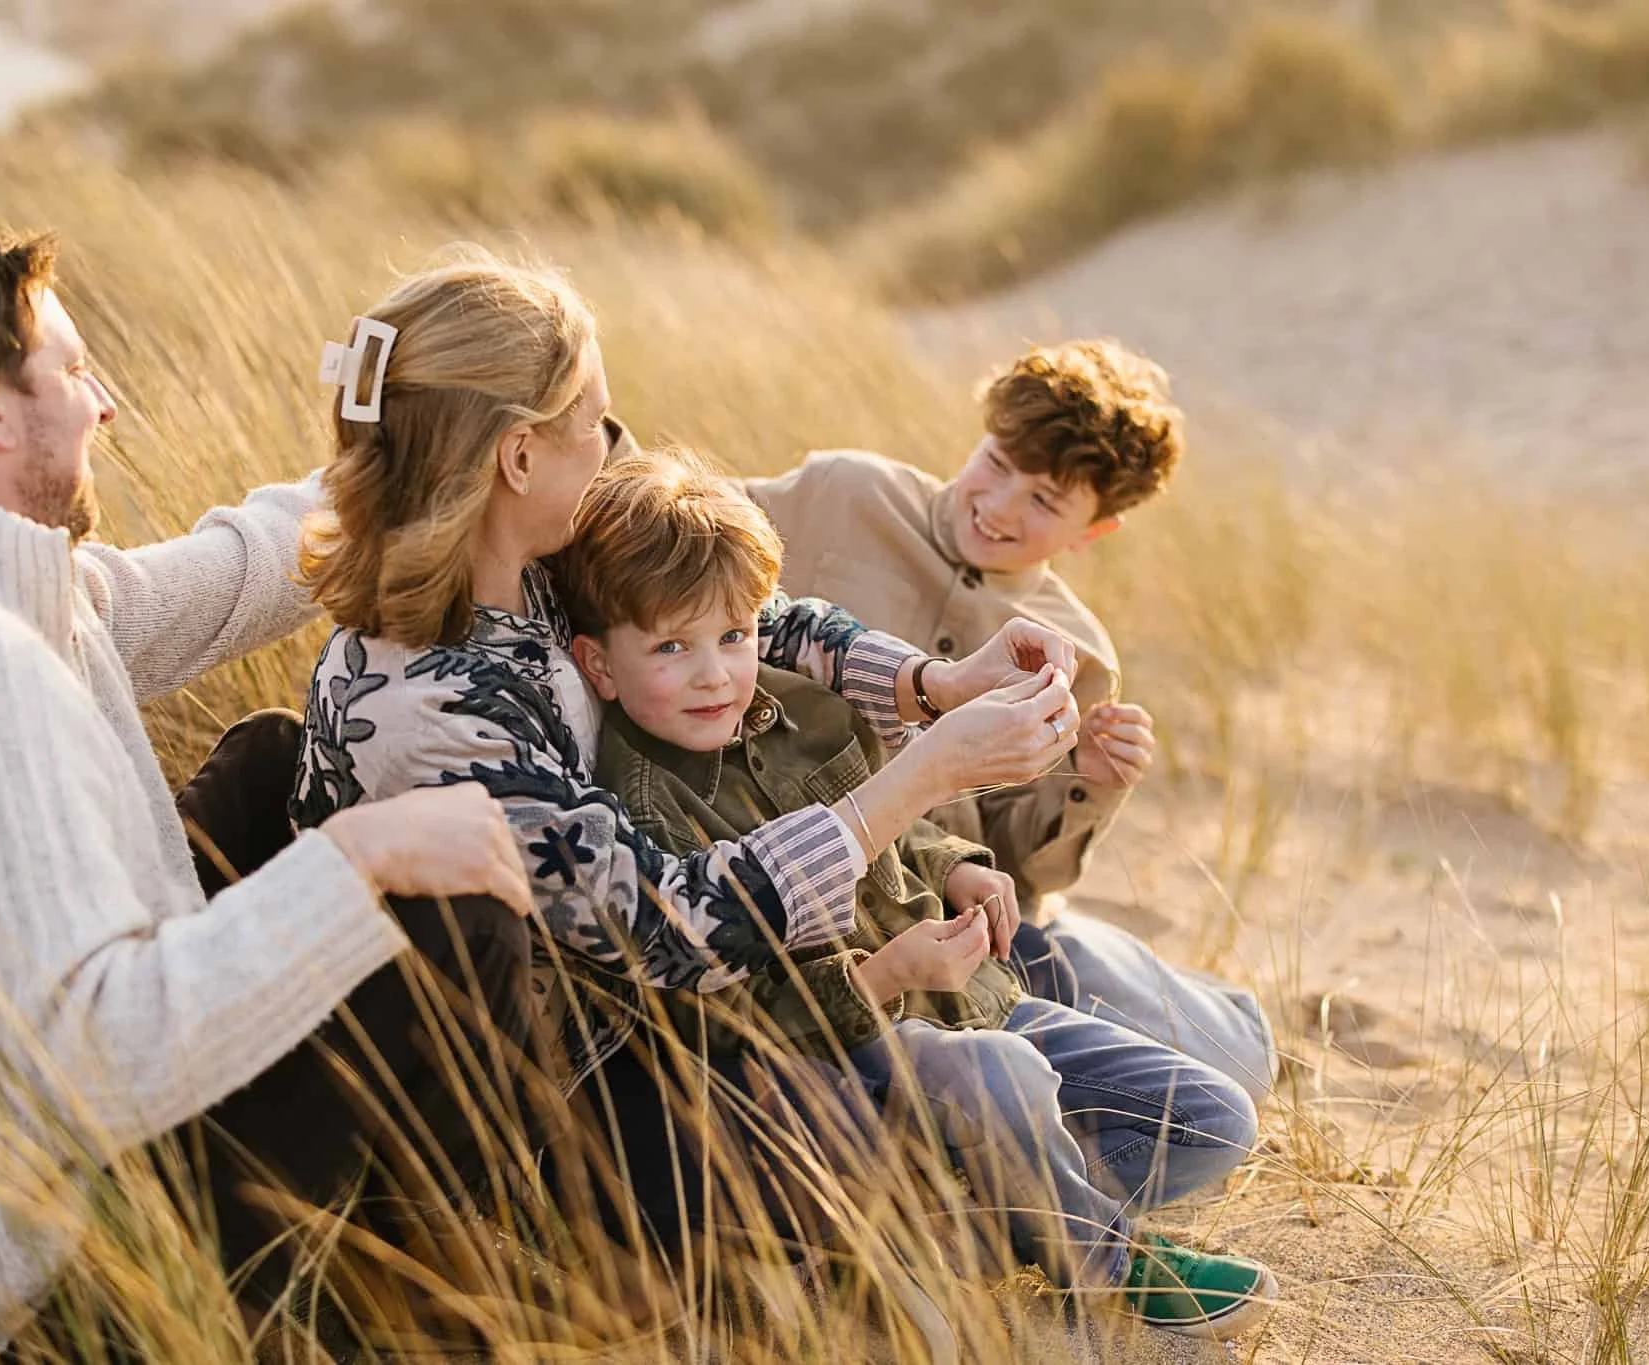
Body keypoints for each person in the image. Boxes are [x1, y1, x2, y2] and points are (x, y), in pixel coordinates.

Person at [0, 235, 549, 1363]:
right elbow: (104, 1062)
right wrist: (357, 859)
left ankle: (374, 1262)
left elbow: (230, 574)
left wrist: (391, 456)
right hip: (14, 1293)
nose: (103, 405)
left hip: (38, 1147)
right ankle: (418, 1316)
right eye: (71, 374)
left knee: (268, 764)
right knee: (455, 923)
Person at [285, 247, 1087, 1259]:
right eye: (598, 425)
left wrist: (932, 686)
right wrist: (923, 775)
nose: (617, 447)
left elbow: (741, 615)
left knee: (1015, 1062)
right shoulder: (432, 703)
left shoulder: (526, 562)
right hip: (565, 1107)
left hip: (667, 1030)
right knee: (900, 1163)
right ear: (517, 459)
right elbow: (670, 923)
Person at [558, 447, 1276, 1340]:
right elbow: (727, 1014)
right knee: (996, 1071)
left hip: (965, 991)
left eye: (734, 636)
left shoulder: (792, 706)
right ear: (596, 663)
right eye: (672, 647)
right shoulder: (640, 802)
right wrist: (890, 974)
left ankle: (978, 1216)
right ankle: (1110, 1264)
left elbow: (893, 814)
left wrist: (954, 868)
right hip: (860, 1040)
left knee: (1212, 1115)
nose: (714, 675)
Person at [744, 341, 1277, 1102]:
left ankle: (1225, 1014)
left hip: (960, 909)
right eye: (996, 463)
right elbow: (677, 525)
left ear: (1093, 531)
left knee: (1238, 1072)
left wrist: (1090, 786)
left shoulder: (1079, 652)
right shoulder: (842, 489)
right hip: (800, 854)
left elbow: (1024, 865)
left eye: (1044, 501)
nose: (997, 506)